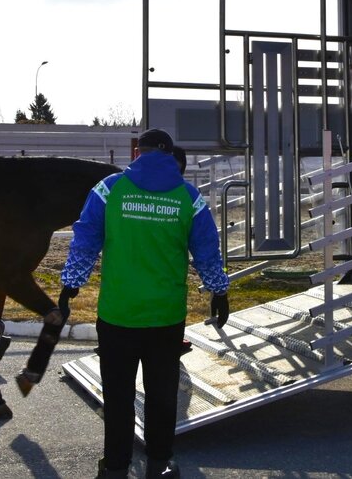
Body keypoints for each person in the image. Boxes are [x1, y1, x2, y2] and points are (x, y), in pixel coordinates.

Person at [59, 129, 230, 479]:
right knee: (162, 395)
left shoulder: (109, 190)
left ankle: (116, 467)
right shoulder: (189, 197)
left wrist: (70, 285)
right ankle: (160, 463)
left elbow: (85, 240)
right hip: (165, 317)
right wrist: (219, 291)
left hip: (118, 314)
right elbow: (208, 252)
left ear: (138, 152)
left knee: (119, 396)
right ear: (170, 155)